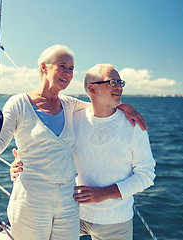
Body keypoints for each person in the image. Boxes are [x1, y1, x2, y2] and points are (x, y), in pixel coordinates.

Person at [0, 45, 148, 240]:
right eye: (62, 66)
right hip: (32, 198)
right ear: (44, 67)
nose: (68, 73)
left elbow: (100, 106)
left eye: (71, 69)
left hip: (68, 201)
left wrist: (124, 107)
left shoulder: (70, 104)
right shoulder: (18, 103)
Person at [10, 63, 156, 240]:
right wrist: (22, 165)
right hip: (70, 212)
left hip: (114, 220)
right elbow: (49, 147)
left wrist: (104, 193)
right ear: (91, 89)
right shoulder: (72, 117)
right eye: (112, 82)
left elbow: (146, 175)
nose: (119, 86)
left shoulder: (133, 125)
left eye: (120, 82)